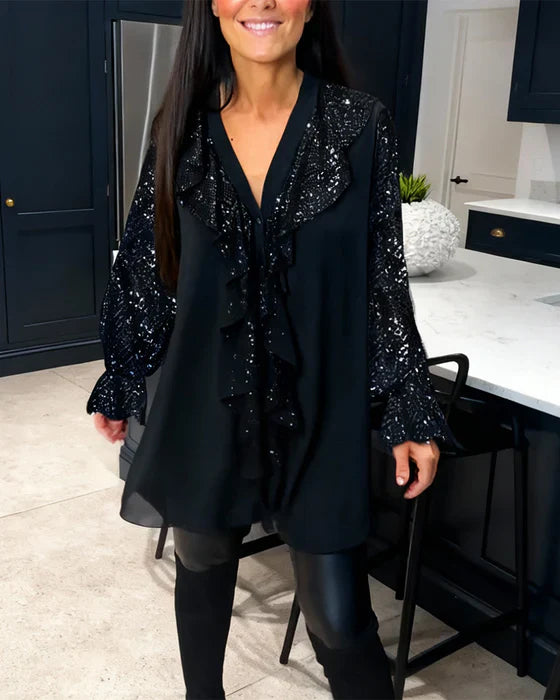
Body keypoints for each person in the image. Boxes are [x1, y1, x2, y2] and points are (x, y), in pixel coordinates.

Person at [86, 0, 453, 697]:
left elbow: (382, 279)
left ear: (310, 6)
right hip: (204, 398)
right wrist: (124, 373)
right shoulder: (180, 127)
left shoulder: (358, 124)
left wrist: (408, 400)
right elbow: (148, 265)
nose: (261, 2)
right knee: (202, 563)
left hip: (322, 402)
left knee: (338, 617)